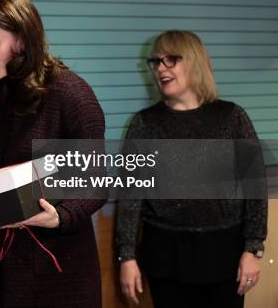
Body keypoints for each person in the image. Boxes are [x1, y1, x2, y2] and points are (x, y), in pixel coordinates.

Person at [0, 0, 106, 308]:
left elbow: (96, 184)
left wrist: (59, 216)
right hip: (2, 272)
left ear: (23, 39)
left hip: (62, 275)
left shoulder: (72, 95)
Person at [115, 30, 268, 308]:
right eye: (156, 61)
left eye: (170, 59)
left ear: (195, 62)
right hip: (165, 257)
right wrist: (127, 257)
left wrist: (254, 249)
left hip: (225, 255)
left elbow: (255, 187)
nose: (161, 68)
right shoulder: (144, 124)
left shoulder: (232, 117)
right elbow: (130, 196)